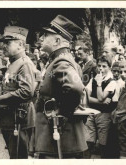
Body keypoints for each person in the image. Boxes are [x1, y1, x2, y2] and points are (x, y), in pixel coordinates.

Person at [35, 15, 87, 159]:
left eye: (46, 35)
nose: (41, 38)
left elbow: (75, 88)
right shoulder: (60, 59)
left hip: (60, 134)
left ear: (57, 41)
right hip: (58, 134)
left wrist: (62, 111)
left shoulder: (61, 61)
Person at [0, 26, 36, 159]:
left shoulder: (24, 64)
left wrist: (0, 99)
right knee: (13, 155)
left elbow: (27, 91)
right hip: (11, 117)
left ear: (20, 45)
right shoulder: (14, 63)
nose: (4, 46)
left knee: (19, 157)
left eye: (8, 43)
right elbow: (10, 86)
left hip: (19, 117)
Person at [85, 55, 116, 158]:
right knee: (88, 140)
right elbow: (88, 98)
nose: (101, 69)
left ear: (109, 67)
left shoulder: (111, 81)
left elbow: (101, 96)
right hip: (92, 112)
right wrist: (101, 102)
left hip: (104, 115)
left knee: (103, 143)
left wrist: (99, 85)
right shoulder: (93, 79)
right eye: (99, 66)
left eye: (104, 66)